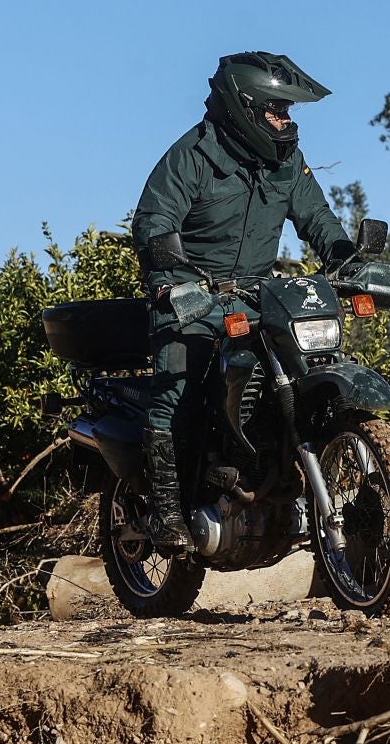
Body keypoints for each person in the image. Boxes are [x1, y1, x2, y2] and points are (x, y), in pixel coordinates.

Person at [131, 52, 357, 555]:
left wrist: (347, 260)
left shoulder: (284, 163)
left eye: (288, 111)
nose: (286, 120)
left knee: (306, 367)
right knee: (179, 392)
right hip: (191, 297)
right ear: (245, 107)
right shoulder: (191, 156)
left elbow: (318, 218)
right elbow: (152, 224)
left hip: (256, 295)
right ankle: (167, 514)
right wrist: (171, 282)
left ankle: (280, 470)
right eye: (277, 110)